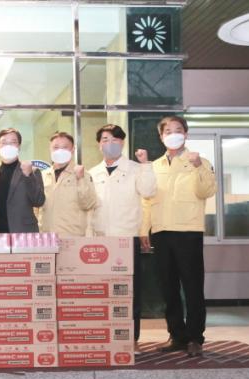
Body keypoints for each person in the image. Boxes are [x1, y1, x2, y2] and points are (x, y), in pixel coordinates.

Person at [141, 116, 216, 357]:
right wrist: (144, 230)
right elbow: (146, 201)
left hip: (188, 231)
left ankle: (195, 338)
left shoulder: (199, 161)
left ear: (186, 134)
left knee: (193, 287)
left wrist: (198, 167)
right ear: (161, 136)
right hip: (161, 231)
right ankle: (177, 335)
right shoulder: (154, 166)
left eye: (178, 130)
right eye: (168, 131)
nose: (173, 134)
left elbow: (206, 191)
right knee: (168, 287)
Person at [89, 124, 156, 354]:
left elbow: (148, 192)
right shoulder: (92, 173)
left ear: (123, 143)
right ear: (99, 144)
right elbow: (90, 208)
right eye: (105, 139)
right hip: (101, 240)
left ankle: (131, 338)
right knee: (103, 292)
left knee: (130, 292)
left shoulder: (136, 169)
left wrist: (146, 164)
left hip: (127, 239)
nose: (110, 144)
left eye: (116, 140)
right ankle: (106, 336)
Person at [38, 131, 96, 236]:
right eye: (56, 147)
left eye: (65, 147)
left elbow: (88, 204)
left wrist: (80, 179)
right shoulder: (43, 175)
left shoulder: (83, 174)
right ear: (50, 149)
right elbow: (36, 208)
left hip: (72, 236)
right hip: (46, 236)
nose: (60, 151)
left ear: (73, 149)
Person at [0, 128, 45, 233]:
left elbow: (38, 201)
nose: (8, 146)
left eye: (13, 142)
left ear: (19, 146)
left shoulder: (32, 171)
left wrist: (28, 176)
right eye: (4, 142)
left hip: (23, 232)